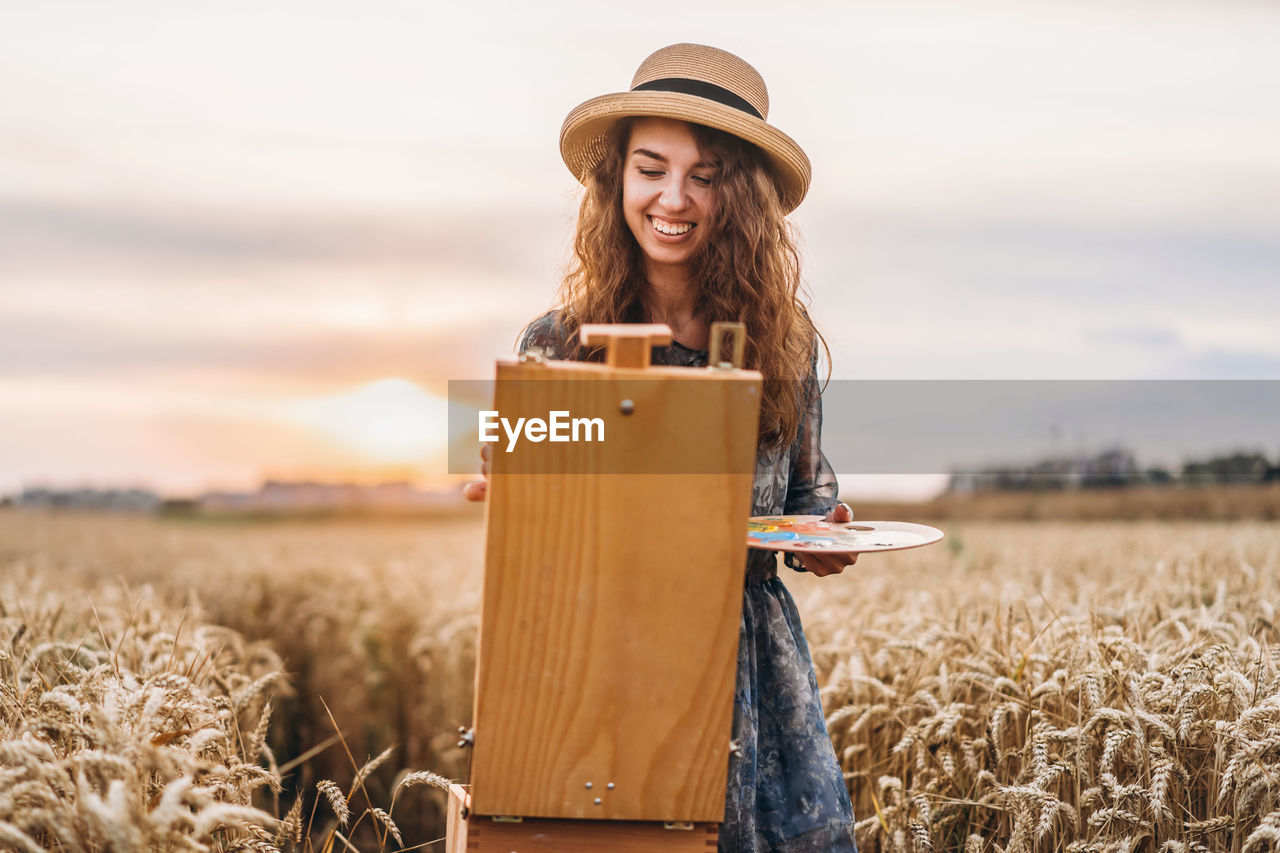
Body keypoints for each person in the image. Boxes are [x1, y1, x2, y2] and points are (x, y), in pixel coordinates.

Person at [465, 43, 859, 853]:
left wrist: (824, 537)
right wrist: (509, 473)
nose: (672, 197)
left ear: (740, 194)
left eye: (704, 176)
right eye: (650, 168)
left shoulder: (781, 346)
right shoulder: (560, 343)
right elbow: (519, 481)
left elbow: (805, 507)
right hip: (598, 650)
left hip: (747, 664)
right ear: (617, 181)